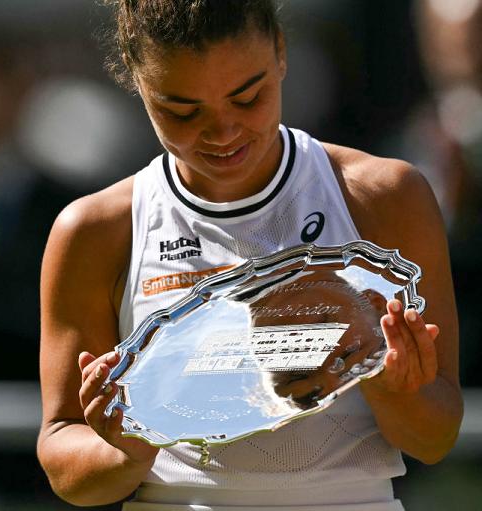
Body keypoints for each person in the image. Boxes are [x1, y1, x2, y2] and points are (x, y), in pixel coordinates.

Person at [37, 1, 463, 509]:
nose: (222, 133)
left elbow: (436, 438)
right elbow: (63, 455)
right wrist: (124, 451)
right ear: (135, 79)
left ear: (282, 53)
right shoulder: (92, 230)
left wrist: (392, 383)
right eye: (182, 110)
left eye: (248, 97)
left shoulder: (384, 195)